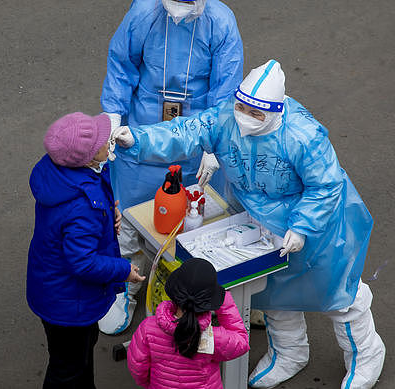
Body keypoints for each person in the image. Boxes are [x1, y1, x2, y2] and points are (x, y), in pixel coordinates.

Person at [114, 60, 385, 388]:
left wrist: (302, 226)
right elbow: (185, 131)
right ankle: (289, 352)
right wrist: (138, 139)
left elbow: (326, 186)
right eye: (241, 106)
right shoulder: (227, 117)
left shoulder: (302, 135)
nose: (244, 115)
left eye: (255, 112)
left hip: (316, 226)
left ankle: (366, 353)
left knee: (339, 291)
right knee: (273, 291)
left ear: (275, 111)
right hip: (257, 222)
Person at [99, 0, 244, 335]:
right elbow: (122, 65)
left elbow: (225, 91)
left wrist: (213, 144)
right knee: (129, 218)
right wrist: (113, 118)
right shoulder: (144, 13)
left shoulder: (220, 22)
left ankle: (195, 292)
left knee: (196, 222)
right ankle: (126, 282)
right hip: (140, 135)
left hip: (196, 138)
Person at [26, 112, 146, 389]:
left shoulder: (60, 173)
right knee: (66, 369)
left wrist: (106, 214)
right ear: (89, 158)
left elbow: (79, 218)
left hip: (54, 288)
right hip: (69, 302)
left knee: (79, 352)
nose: (108, 140)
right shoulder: (82, 206)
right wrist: (124, 270)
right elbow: (84, 263)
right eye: (102, 141)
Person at [127, 258, 249, 388]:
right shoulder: (214, 338)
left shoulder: (147, 328)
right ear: (210, 301)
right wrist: (225, 302)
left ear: (174, 291)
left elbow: (137, 367)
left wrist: (150, 385)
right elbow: (242, 342)